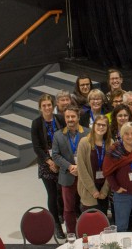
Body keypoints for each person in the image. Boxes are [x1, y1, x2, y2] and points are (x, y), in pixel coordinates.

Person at [30, 94, 66, 238]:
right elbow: (37, 147)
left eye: (49, 105)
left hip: (61, 160)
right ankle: (56, 223)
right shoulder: (36, 123)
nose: (47, 108)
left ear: (53, 106)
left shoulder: (60, 119)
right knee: (52, 193)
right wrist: (50, 161)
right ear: (40, 108)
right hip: (46, 162)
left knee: (62, 191)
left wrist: (59, 161)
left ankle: (64, 215)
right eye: (44, 105)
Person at [104, 122, 132, 231]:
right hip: (122, 195)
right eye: (126, 134)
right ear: (121, 135)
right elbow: (107, 171)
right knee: (121, 226)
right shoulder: (114, 150)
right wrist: (116, 188)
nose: (130, 136)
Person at [51, 106, 85, 234]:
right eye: (67, 117)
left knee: (86, 207)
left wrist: (80, 168)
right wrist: (70, 166)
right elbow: (55, 155)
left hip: (84, 176)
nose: (70, 119)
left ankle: (85, 232)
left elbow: (91, 153)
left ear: (78, 117)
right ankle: (71, 235)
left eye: (73, 116)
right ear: (64, 118)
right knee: (68, 209)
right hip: (67, 175)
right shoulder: (57, 135)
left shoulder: (87, 133)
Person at [76, 117, 112, 214]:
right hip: (88, 189)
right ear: (94, 126)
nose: (101, 127)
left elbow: (112, 169)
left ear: (107, 127)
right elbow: (81, 169)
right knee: (91, 222)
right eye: (98, 124)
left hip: (104, 188)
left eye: (104, 125)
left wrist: (105, 190)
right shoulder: (84, 142)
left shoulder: (110, 143)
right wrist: (93, 190)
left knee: (103, 221)